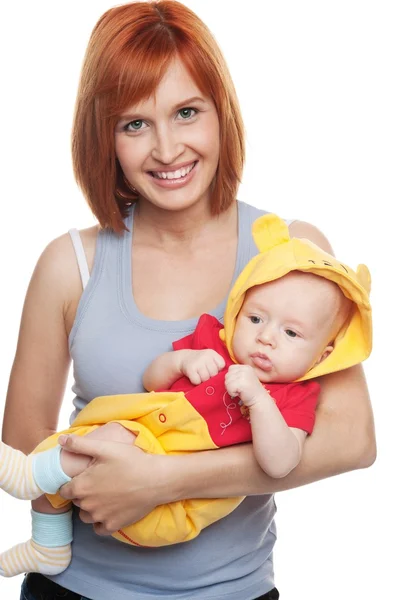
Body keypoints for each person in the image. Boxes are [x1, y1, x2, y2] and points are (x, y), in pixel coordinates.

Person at [0, 1, 375, 599]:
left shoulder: (290, 253)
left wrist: (161, 481)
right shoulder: (70, 264)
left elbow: (353, 441)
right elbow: (23, 448)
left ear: (221, 113)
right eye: (134, 124)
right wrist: (69, 515)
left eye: (186, 112)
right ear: (105, 137)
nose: (167, 149)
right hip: (77, 589)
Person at [0, 212, 372, 576]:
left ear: (323, 355)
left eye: (291, 334)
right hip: (129, 463)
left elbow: (280, 463)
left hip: (178, 513)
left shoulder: (293, 397)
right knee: (77, 444)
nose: (266, 337)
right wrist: (180, 361)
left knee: (106, 439)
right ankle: (48, 545)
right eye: (255, 318)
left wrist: (258, 402)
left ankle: (30, 476)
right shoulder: (216, 342)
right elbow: (152, 380)